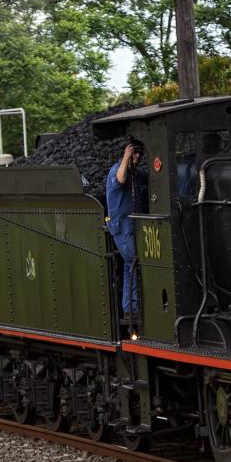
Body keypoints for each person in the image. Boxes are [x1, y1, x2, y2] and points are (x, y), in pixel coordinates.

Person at [105, 139, 148, 326]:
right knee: (134, 261)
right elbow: (120, 180)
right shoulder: (118, 169)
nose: (137, 157)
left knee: (131, 264)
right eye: (135, 153)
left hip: (133, 225)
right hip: (122, 227)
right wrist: (126, 157)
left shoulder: (136, 174)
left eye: (140, 153)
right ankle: (132, 308)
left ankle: (131, 306)